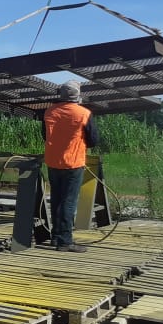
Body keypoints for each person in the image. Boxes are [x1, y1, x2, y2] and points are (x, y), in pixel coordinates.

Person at [43, 80, 99, 252]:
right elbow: (93, 140)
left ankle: (56, 237)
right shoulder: (84, 113)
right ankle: (65, 241)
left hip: (53, 162)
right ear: (78, 95)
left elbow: (45, 135)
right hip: (73, 163)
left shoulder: (49, 111)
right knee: (68, 202)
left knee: (57, 200)